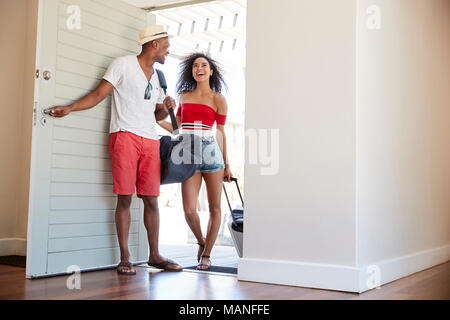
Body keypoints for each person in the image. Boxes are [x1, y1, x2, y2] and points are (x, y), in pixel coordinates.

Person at [48, 25, 183, 275]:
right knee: (125, 197)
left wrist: (166, 106)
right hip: (124, 136)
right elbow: (99, 94)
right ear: (154, 43)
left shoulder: (158, 76)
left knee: (152, 199)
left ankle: (154, 255)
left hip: (150, 140)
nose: (168, 50)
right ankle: (125, 257)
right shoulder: (122, 64)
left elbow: (157, 114)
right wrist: (70, 108)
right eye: (166, 45)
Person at [158, 53, 232, 271]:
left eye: (203, 65)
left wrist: (227, 164)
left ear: (210, 71)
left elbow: (220, 132)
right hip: (186, 153)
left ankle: (207, 254)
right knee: (189, 210)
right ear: (192, 72)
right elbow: (176, 127)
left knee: (214, 207)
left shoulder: (218, 99)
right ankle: (201, 242)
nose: (199, 68)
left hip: (212, 153)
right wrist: (157, 117)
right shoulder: (183, 97)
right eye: (195, 66)